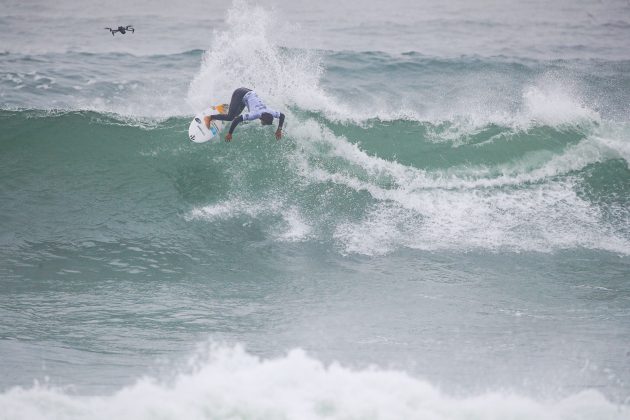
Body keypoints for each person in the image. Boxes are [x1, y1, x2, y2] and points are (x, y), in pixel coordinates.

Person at [204, 87, 285, 142]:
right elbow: (237, 120)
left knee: (235, 113)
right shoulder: (254, 114)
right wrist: (230, 134)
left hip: (248, 94)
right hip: (240, 93)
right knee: (231, 117)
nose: (264, 124)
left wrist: (279, 129)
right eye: (265, 123)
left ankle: (226, 108)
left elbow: (282, 116)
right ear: (262, 119)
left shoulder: (270, 112)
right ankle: (209, 117)